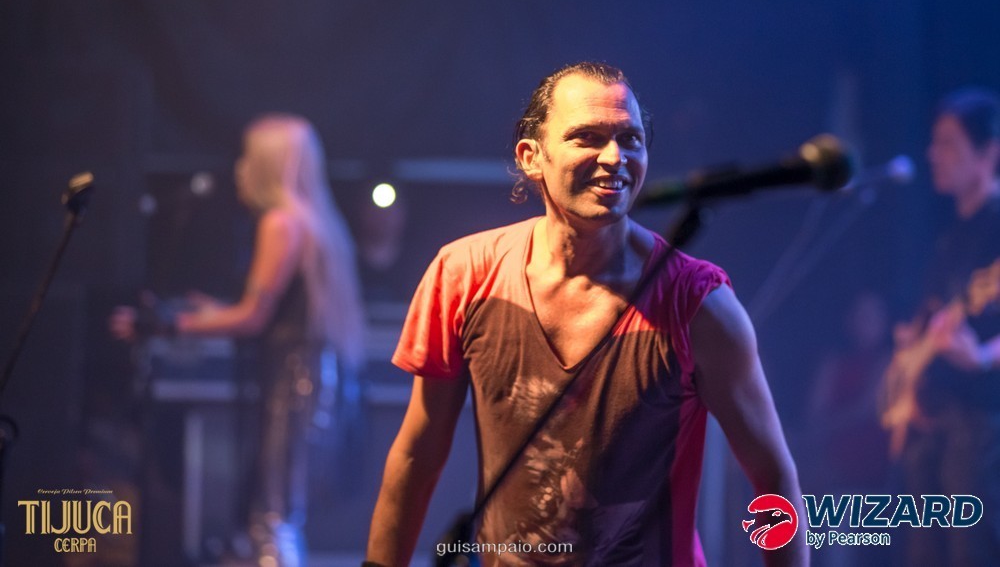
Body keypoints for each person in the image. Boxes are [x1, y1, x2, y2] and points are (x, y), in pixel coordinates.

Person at [365, 62, 807, 566]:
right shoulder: (464, 274)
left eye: (630, 139)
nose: (615, 157)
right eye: (588, 138)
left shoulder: (699, 302)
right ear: (532, 157)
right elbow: (417, 454)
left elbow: (772, 478)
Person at [112, 113, 366, 567]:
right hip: (308, 375)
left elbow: (252, 318)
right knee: (279, 511)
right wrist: (207, 311)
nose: (239, 169)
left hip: (291, 380)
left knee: (272, 516)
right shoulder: (313, 223)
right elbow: (271, 312)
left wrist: (168, 325)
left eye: (247, 157)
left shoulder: (281, 224)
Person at [888, 88, 1000, 566]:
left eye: (949, 143)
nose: (934, 154)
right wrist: (912, 347)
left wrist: (983, 356)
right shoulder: (951, 238)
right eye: (934, 143)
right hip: (934, 418)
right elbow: (931, 317)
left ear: (989, 152)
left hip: (982, 419)